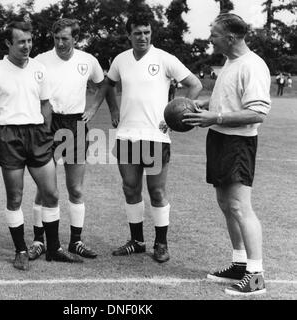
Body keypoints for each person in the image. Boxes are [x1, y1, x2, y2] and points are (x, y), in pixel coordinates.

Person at [0, 20, 82, 271]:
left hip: (38, 134)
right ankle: (21, 250)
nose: (26, 46)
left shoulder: (39, 68)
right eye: (21, 42)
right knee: (15, 197)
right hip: (8, 136)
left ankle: (55, 248)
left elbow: (45, 105)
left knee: (52, 193)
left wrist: (45, 131)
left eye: (29, 40)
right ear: (8, 43)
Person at [183, 13, 270, 296]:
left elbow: (257, 112)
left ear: (230, 38)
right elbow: (228, 99)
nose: (211, 38)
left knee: (239, 206)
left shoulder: (253, 66)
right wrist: (200, 106)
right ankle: (240, 263)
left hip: (238, 144)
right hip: (221, 140)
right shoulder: (230, 63)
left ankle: (255, 276)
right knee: (225, 203)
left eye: (214, 34)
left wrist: (216, 117)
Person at [104, 13, 202, 263]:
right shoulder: (120, 60)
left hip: (156, 137)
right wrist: (114, 109)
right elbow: (108, 85)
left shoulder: (164, 58)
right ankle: (136, 241)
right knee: (130, 188)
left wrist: (176, 112)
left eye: (147, 32)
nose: (143, 37)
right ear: (129, 35)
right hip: (127, 134)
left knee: (156, 191)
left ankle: (161, 243)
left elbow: (194, 84)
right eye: (137, 33)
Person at [30, 18, 110, 261]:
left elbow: (103, 84)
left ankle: (76, 241)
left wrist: (94, 109)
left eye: (65, 38)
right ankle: (38, 241)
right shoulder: (41, 60)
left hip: (76, 124)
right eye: (56, 38)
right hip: (48, 124)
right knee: (44, 189)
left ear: (76, 38)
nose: (60, 43)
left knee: (75, 188)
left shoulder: (88, 61)